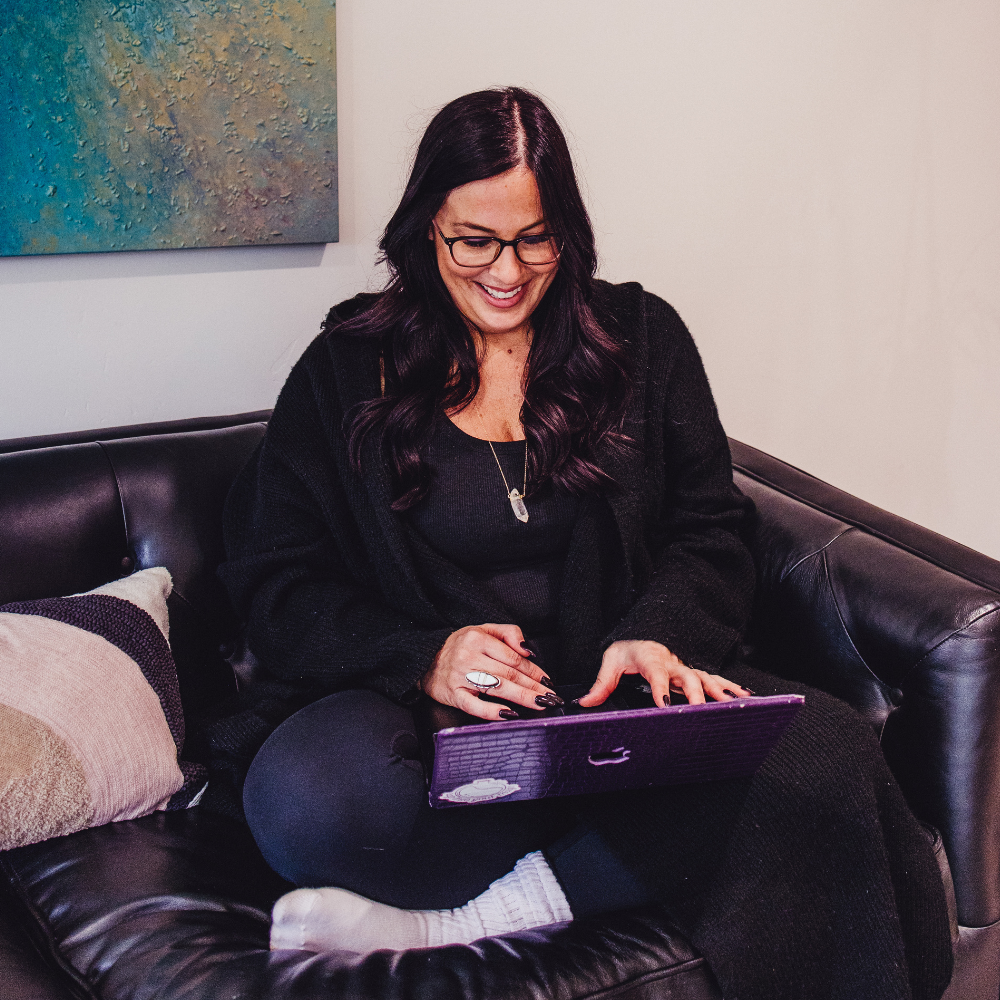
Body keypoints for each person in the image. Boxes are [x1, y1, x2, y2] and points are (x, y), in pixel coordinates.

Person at [215, 87, 952, 1000]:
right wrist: (424, 657)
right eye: (473, 240)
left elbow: (711, 528)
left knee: (824, 750)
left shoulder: (641, 338)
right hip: (423, 707)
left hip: (610, 695)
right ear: (425, 231)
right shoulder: (345, 367)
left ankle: (481, 915)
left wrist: (660, 632)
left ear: (567, 229)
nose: (506, 270)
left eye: (533, 238)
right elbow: (277, 576)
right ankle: (620, 837)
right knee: (315, 802)